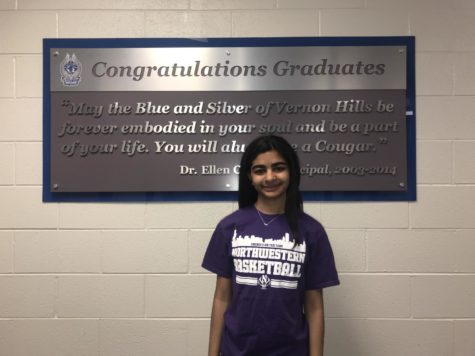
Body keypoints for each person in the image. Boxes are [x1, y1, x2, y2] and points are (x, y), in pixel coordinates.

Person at [202, 135, 339, 356]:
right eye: (259, 170)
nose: (270, 177)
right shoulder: (230, 227)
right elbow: (221, 297)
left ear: (291, 171)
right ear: (249, 176)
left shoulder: (312, 232)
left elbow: (314, 307)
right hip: (236, 350)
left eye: (278, 168)